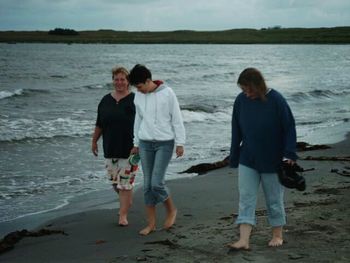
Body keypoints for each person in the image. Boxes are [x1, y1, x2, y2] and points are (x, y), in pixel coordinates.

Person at [228, 68, 297, 250]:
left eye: (249, 89)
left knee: (274, 199)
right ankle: (244, 240)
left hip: (273, 160)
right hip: (248, 158)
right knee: (246, 198)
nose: (247, 94)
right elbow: (236, 129)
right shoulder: (240, 100)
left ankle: (277, 235)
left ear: (259, 85)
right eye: (244, 90)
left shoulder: (276, 100)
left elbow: (289, 127)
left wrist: (289, 153)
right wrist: (234, 155)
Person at [129, 64, 186, 236]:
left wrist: (180, 142)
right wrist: (136, 143)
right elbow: (138, 120)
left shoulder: (167, 93)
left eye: (139, 86)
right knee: (147, 186)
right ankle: (151, 224)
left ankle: (171, 210)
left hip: (164, 143)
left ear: (148, 80)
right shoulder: (138, 95)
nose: (138, 90)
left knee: (156, 183)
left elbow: (177, 118)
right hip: (145, 143)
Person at [91, 66, 136, 226]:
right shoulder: (105, 100)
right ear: (113, 81)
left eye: (122, 79)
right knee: (115, 182)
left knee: (125, 184)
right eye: (116, 79)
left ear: (128, 81)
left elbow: (144, 124)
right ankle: (127, 201)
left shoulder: (135, 100)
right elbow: (99, 123)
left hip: (130, 149)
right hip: (110, 147)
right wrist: (94, 141)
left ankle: (122, 215)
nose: (119, 82)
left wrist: (139, 144)